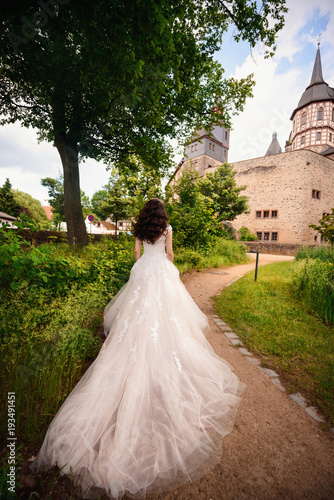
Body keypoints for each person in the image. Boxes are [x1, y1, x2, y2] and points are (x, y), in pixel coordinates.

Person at [31, 198, 246, 499]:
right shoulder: (167, 228)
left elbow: (136, 254)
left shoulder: (140, 228)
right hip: (160, 272)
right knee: (168, 319)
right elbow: (170, 255)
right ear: (163, 215)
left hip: (143, 271)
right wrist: (167, 266)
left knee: (134, 318)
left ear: (146, 215)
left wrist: (144, 265)